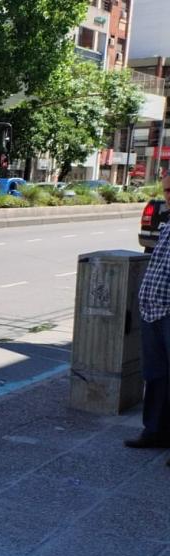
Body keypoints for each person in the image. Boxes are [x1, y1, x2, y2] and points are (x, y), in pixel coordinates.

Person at [128, 173, 170, 452]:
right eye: (167, 189)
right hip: (153, 310)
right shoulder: (166, 223)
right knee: (155, 374)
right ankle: (154, 432)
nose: (169, 195)